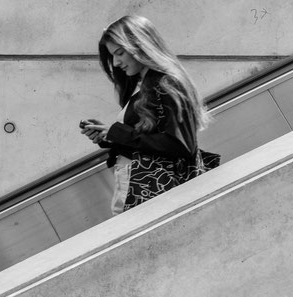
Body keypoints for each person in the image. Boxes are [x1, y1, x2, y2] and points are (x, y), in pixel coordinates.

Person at [79, 14, 219, 215]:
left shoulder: (165, 84)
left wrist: (118, 133)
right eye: (112, 56)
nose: (116, 63)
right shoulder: (144, 84)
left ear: (140, 45)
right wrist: (108, 135)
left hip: (148, 188)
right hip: (140, 186)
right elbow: (152, 136)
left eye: (119, 53)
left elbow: (180, 145)